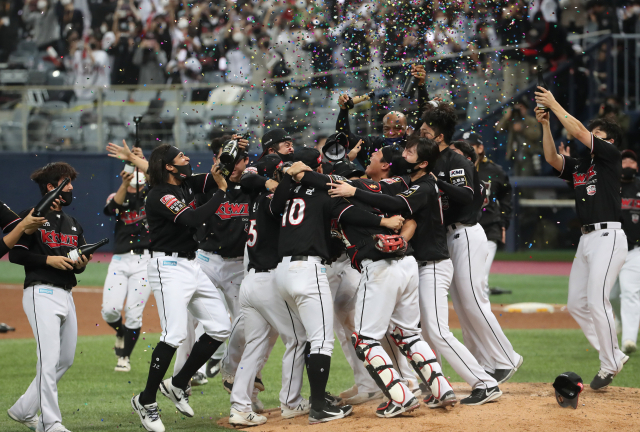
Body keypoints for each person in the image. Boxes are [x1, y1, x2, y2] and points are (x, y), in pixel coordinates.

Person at [317, 137, 458, 416]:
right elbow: (391, 202)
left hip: (380, 267)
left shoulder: (343, 202)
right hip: (406, 265)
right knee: (409, 334)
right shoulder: (388, 186)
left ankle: (400, 397)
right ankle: (442, 389)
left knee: (366, 340)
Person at [270, 147, 404, 424]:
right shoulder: (323, 191)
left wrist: (286, 178)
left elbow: (273, 208)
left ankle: (298, 401)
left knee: (304, 339)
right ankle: (319, 407)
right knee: (321, 340)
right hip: (308, 269)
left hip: (281, 271)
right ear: (316, 169)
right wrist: (383, 220)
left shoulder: (286, 193)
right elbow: (350, 214)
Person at [110, 143, 234, 432]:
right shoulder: (159, 195)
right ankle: (146, 400)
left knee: (219, 327)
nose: (187, 158)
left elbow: (218, 173)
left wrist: (228, 155)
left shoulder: (185, 183)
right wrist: (220, 191)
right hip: (168, 269)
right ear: (168, 166)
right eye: (180, 156)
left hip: (191, 266)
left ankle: (177, 384)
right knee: (174, 334)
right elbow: (192, 218)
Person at [421, 102, 523, 390]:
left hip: (466, 233)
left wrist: (437, 184)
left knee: (474, 300)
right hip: (449, 239)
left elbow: (466, 196)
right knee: (463, 305)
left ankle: (507, 357)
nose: (421, 135)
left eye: (426, 131)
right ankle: (488, 361)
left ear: (439, 137)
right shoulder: (433, 161)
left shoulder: (455, 161)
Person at [535, 87, 629, 389]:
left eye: (597, 133)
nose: (590, 135)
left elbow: (576, 130)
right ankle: (613, 354)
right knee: (577, 303)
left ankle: (610, 362)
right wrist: (546, 125)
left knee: (598, 300)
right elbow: (551, 158)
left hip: (609, 236)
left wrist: (554, 103)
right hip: (587, 240)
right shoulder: (582, 165)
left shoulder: (611, 157)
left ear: (609, 141)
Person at [8, 162, 91, 432]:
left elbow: (79, 258)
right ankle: (50, 423)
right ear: (51, 187)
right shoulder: (31, 216)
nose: (71, 188)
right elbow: (16, 254)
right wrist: (48, 260)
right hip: (40, 291)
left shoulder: (73, 224)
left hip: (66, 294)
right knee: (48, 359)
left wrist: (81, 263)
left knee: (65, 359)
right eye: (66, 183)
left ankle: (23, 409)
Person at [228, 154, 308, 426]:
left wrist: (278, 178)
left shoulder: (254, 199)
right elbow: (278, 199)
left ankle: (239, 407)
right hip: (268, 282)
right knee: (298, 338)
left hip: (251, 283)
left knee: (255, 346)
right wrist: (286, 176)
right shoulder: (269, 201)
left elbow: (249, 179)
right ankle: (291, 402)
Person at [101, 160, 151, 373]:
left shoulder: (150, 197)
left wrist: (143, 164)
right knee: (109, 311)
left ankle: (124, 357)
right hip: (120, 260)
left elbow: (156, 183)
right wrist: (124, 184)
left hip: (144, 261)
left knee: (133, 312)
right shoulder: (117, 195)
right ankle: (120, 331)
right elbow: (110, 209)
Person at [335, 64, 430, 167]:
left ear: (407, 130)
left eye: (398, 128)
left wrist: (421, 87)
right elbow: (344, 137)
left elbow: (424, 116)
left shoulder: (413, 144)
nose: (392, 133)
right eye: (387, 129)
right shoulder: (373, 144)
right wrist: (343, 111)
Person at [465, 133, 513, 296]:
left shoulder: (495, 171)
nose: (466, 150)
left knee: (480, 277)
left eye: (470, 146)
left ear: (480, 148)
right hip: (465, 228)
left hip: (489, 226)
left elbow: (506, 197)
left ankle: (483, 316)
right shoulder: (457, 169)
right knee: (464, 278)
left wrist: (504, 222)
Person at [610, 150, 640, 355]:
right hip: (610, 249)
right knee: (611, 295)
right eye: (624, 161)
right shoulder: (609, 185)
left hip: (635, 249)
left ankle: (629, 339)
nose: (628, 164)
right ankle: (618, 319)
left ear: (637, 166)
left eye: (632, 161)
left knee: (630, 293)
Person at [495, 100, 542, 176]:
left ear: (526, 109)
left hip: (528, 155)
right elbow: (499, 129)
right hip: (515, 156)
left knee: (525, 181)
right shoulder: (511, 121)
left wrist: (523, 129)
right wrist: (506, 117)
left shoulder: (531, 120)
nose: (519, 110)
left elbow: (536, 135)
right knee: (516, 181)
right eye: (516, 108)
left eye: (521, 108)